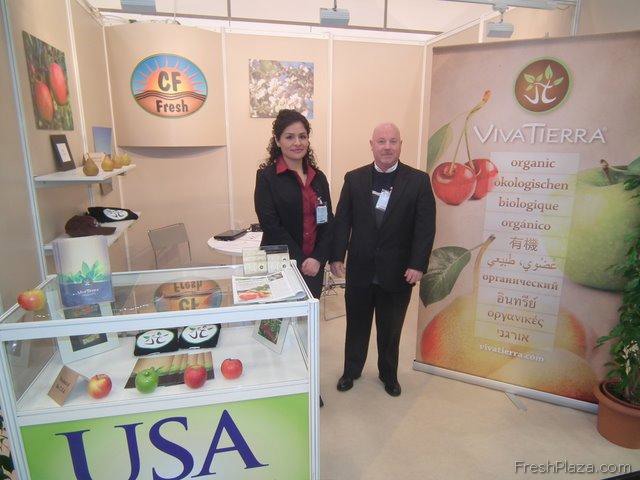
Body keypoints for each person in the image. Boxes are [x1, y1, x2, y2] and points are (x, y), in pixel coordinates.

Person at [330, 122, 436, 397]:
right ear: (372, 145)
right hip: (360, 270)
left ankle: (388, 375)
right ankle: (351, 371)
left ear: (401, 145)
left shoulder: (418, 181)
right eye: (381, 141)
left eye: (393, 141)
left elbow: (425, 227)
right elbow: (342, 221)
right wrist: (337, 256)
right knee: (356, 326)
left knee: (391, 330)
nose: (387, 147)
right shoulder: (354, 179)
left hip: (398, 272)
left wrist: (418, 264)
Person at [254, 109, 333, 299]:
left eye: (302, 136)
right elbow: (270, 225)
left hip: (314, 267)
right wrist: (301, 260)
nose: (297, 143)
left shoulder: (318, 177)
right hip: (280, 264)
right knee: (279, 315)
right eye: (289, 137)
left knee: (308, 316)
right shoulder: (267, 177)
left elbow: (328, 222)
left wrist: (318, 258)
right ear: (277, 140)